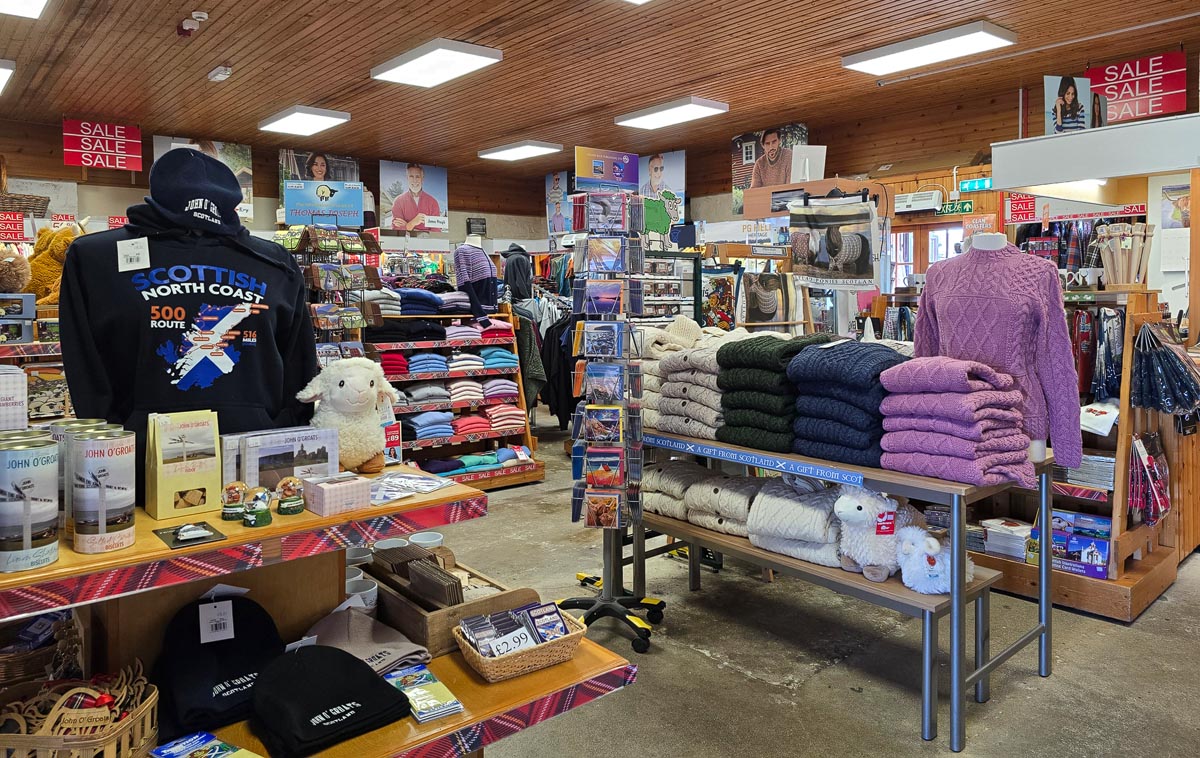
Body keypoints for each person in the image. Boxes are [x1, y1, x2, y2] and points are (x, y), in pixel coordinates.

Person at [391, 163, 442, 233]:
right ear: (407, 178)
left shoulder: (433, 202)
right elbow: (396, 229)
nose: (414, 180)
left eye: (417, 176)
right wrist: (413, 222)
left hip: (427, 244)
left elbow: (436, 231)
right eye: (411, 176)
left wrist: (408, 226)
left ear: (422, 178)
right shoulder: (398, 201)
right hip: (404, 243)